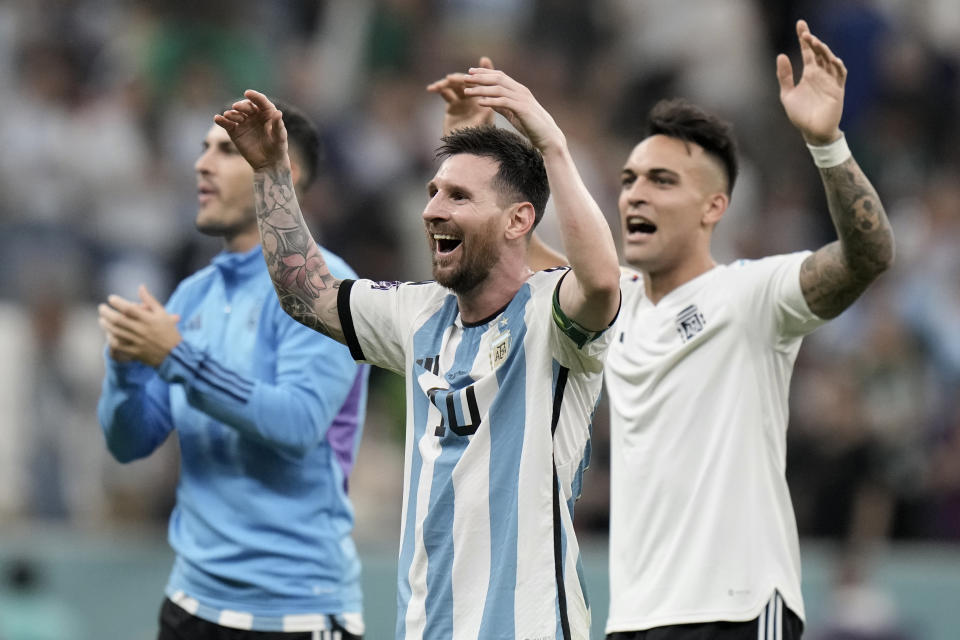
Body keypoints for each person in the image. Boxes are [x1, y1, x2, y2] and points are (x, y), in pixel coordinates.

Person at [431, 19, 895, 640]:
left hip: (737, 608)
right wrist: (468, 141)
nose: (634, 196)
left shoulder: (750, 293)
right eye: (628, 181)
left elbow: (867, 255)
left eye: (661, 181)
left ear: (714, 208)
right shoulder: (612, 301)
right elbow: (507, 254)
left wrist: (827, 144)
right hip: (636, 619)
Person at [214, 64, 621, 640]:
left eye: (458, 195)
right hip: (425, 627)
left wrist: (550, 141)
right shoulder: (418, 312)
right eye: (432, 193)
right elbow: (306, 293)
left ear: (518, 220)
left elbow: (602, 281)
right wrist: (271, 172)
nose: (432, 210)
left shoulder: (551, 313)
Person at [96, 101, 370, 640]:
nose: (201, 164)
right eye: (202, 150)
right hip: (189, 603)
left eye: (226, 151)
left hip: (294, 609)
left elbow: (297, 426)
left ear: (278, 172)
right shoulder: (193, 294)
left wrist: (176, 357)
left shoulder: (327, 290)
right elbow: (130, 443)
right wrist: (125, 367)